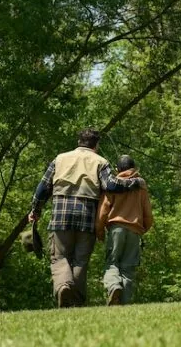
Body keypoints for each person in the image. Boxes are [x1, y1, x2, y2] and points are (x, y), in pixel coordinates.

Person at [29, 129, 143, 308]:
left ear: (79, 141)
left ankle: (63, 286)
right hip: (87, 215)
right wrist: (134, 182)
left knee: (59, 257)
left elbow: (43, 187)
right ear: (96, 145)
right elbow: (111, 185)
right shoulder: (100, 161)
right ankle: (76, 301)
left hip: (61, 214)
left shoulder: (59, 159)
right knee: (81, 260)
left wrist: (35, 210)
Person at [96, 154, 153, 305]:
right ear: (134, 168)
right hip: (135, 231)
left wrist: (99, 230)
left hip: (116, 229)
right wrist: (142, 229)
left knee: (112, 263)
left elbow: (103, 211)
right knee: (128, 269)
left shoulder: (113, 184)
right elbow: (148, 213)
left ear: (117, 169)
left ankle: (114, 287)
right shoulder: (141, 185)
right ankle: (124, 303)